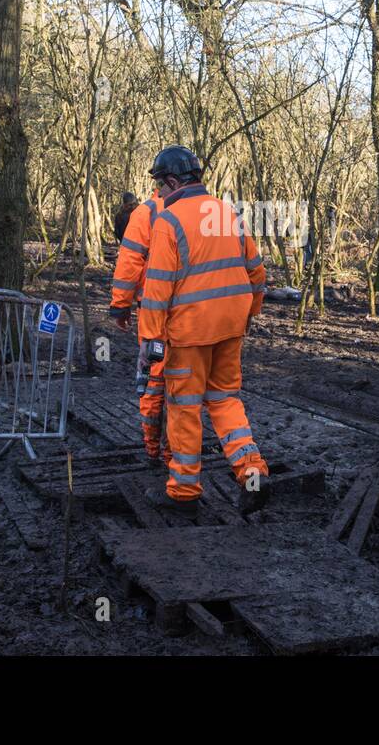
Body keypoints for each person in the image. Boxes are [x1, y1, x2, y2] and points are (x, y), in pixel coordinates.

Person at [136, 146, 270, 517]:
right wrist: (249, 312)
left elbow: (157, 287)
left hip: (190, 333)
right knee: (225, 400)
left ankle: (183, 490)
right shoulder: (227, 213)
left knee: (184, 407)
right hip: (230, 327)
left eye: (160, 185)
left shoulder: (170, 220)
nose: (158, 194)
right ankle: (253, 472)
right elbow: (256, 272)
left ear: (174, 182)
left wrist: (151, 339)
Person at [108, 188, 170, 465]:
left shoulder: (146, 212)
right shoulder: (205, 210)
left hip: (152, 308)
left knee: (152, 374)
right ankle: (173, 452)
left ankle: (152, 447)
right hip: (192, 312)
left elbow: (129, 258)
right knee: (183, 383)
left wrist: (120, 306)